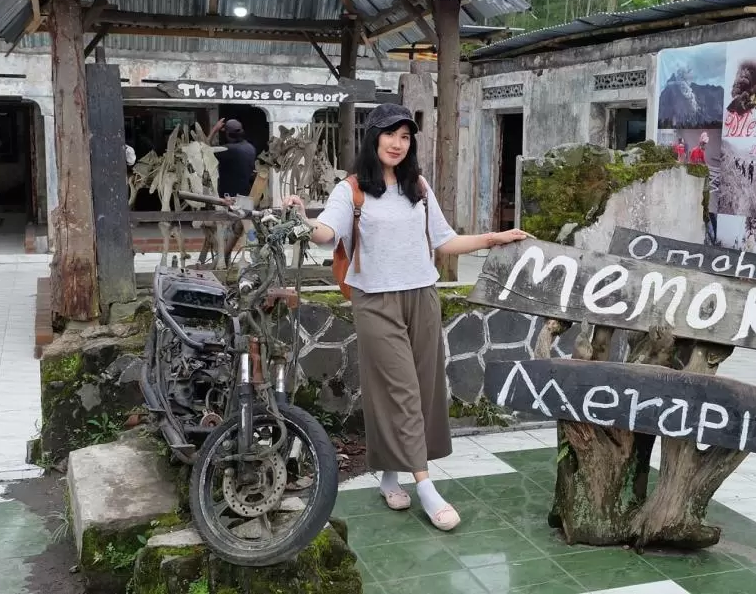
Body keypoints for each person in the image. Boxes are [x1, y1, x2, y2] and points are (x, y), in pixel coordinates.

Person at [281, 103, 530, 531]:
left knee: (422, 389)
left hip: (423, 295)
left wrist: (494, 237)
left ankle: (390, 475)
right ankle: (427, 487)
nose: (397, 143)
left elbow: (444, 240)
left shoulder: (417, 185)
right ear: (373, 137)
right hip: (374, 301)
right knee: (402, 391)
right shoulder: (352, 189)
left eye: (405, 136)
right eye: (389, 134)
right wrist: (302, 219)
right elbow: (328, 234)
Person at [210, 118, 257, 262]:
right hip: (246, 196)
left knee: (224, 230)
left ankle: (223, 260)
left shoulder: (227, 150)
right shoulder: (250, 148)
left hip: (227, 199)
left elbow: (204, 149)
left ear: (228, 134)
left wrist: (214, 129)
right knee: (249, 229)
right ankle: (257, 258)